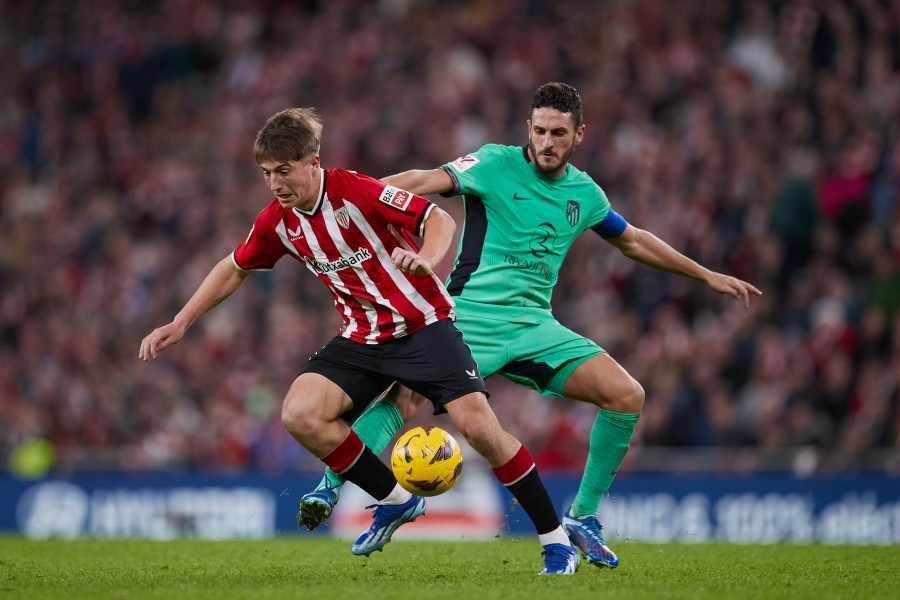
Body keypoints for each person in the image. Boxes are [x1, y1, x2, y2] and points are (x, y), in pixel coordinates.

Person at [298, 83, 763, 568]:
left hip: (534, 326)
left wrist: (705, 274)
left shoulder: (584, 193)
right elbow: (419, 180)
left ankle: (582, 517)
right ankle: (331, 487)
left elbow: (635, 242)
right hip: (467, 317)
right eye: (539, 130)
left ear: (579, 134)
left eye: (558, 133)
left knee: (628, 395)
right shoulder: (495, 164)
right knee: (404, 397)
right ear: (528, 128)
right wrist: (345, 203)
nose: (546, 141)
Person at [138, 107, 580, 575]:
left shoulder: (355, 191)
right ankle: (395, 500)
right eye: (267, 173)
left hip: (424, 327)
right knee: (300, 415)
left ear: (313, 162)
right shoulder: (278, 221)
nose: (275, 184)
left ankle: (556, 542)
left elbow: (439, 221)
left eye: (284, 171)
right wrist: (181, 321)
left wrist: (427, 258)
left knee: (481, 431)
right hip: (364, 337)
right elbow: (234, 267)